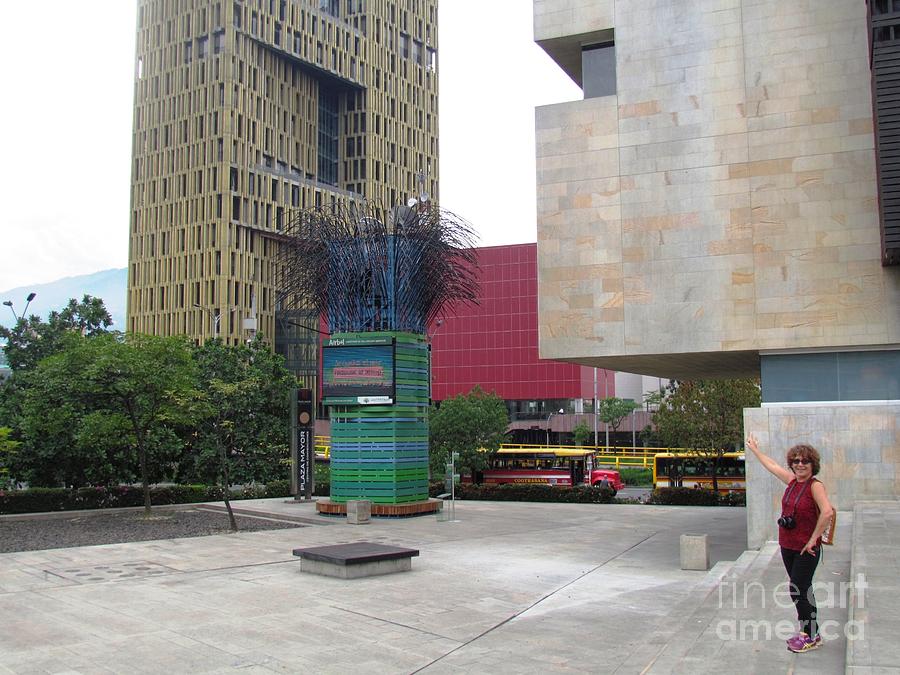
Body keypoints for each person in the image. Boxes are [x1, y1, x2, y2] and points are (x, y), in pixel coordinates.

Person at [746, 434, 835, 653]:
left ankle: (811, 636)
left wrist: (813, 539)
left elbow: (827, 512)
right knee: (800, 589)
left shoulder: (815, 486)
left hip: (807, 547)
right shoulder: (792, 481)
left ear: (813, 464)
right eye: (795, 461)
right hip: (788, 544)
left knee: (799, 590)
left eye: (804, 461)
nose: (800, 464)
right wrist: (755, 450)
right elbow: (772, 465)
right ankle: (808, 632)